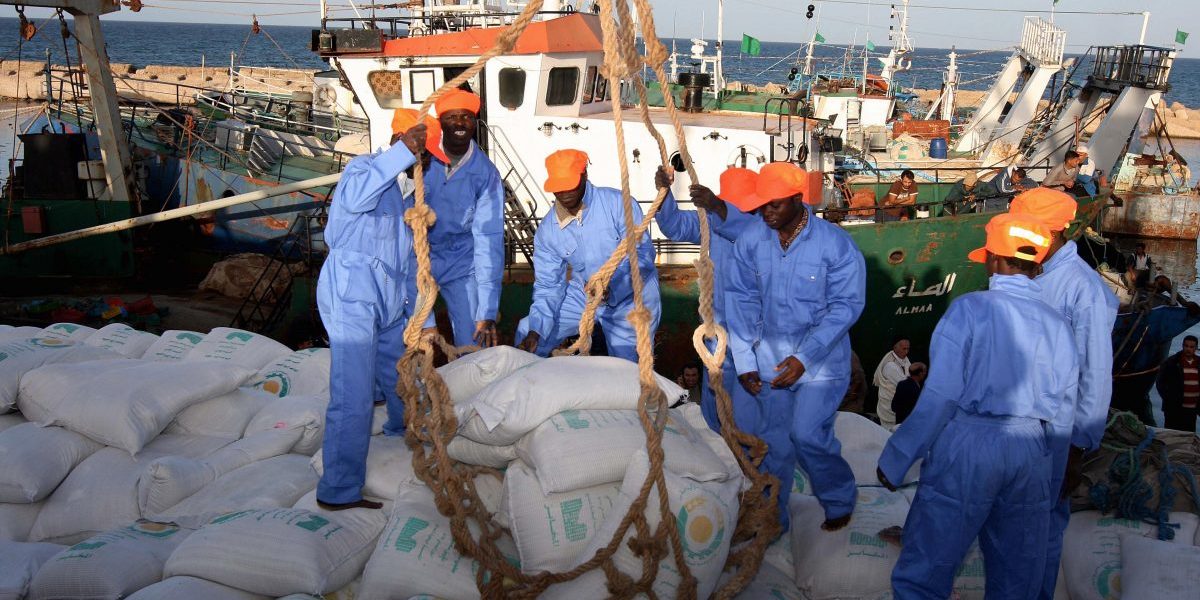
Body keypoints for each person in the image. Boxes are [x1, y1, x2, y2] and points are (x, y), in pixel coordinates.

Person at [877, 212, 1079, 599]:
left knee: (927, 565)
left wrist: (896, 459)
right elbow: (1064, 411)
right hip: (1031, 451)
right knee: (1017, 575)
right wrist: (1051, 482)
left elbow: (940, 397)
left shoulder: (969, 310)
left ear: (997, 260)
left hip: (970, 443)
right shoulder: (1058, 325)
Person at [316, 109, 448, 511]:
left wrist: (424, 323)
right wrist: (402, 153)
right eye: (421, 155)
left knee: (403, 377)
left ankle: (397, 434)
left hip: (392, 302)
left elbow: (412, 268)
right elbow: (354, 199)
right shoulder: (363, 169)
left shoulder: (410, 196)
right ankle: (338, 490)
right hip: (352, 292)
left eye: (426, 158)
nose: (423, 164)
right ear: (403, 143)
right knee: (353, 393)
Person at [727, 161, 865, 532]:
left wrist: (804, 357)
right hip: (770, 363)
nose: (765, 211)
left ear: (797, 199)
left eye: (774, 204)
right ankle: (775, 519)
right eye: (762, 204)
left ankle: (838, 498)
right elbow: (740, 299)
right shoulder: (751, 240)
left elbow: (846, 307)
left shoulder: (835, 245)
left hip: (820, 366)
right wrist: (743, 360)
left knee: (807, 435)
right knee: (775, 443)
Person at [1008, 187, 1119, 600]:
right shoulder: (1032, 275)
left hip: (1055, 436)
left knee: (1041, 532)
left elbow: (1096, 375)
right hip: (1017, 427)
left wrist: (1077, 448)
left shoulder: (1082, 290)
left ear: (1054, 233)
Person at [516, 149, 661, 361]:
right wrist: (536, 329)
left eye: (570, 184)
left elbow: (642, 256)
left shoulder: (618, 203)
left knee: (628, 367)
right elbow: (548, 286)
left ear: (585, 175)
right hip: (584, 292)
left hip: (632, 295)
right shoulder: (548, 231)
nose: (564, 192)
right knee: (528, 330)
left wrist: (613, 287)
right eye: (558, 187)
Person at [654, 165, 757, 429]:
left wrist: (720, 208)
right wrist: (664, 194)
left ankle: (748, 456)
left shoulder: (763, 228)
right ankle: (722, 451)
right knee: (714, 401)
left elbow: (745, 230)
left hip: (754, 335)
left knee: (749, 408)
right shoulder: (710, 221)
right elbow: (675, 226)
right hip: (716, 329)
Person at [422, 89, 505, 348]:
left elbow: (488, 240)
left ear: (475, 123)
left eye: (467, 117)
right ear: (440, 123)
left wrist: (487, 312)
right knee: (411, 338)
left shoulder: (485, 174)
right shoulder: (420, 161)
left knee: (474, 337)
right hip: (416, 259)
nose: (459, 123)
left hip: (461, 262)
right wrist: (426, 322)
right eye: (452, 117)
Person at [1156, 335, 1200, 433]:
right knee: (1171, 436)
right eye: (1186, 346)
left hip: (1192, 411)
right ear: (1182, 346)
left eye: (1191, 347)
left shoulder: (1199, 363)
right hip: (1174, 410)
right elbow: (1160, 383)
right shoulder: (1171, 362)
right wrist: (1169, 399)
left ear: (1196, 348)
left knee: (1188, 437)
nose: (1188, 349)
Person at [873, 335, 911, 430]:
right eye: (904, 349)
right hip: (889, 407)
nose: (906, 352)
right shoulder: (890, 366)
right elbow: (905, 384)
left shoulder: (906, 361)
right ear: (895, 348)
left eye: (908, 349)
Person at [891, 361, 927, 426]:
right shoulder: (917, 390)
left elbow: (894, 406)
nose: (925, 373)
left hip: (899, 423)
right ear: (920, 373)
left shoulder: (901, 384)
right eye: (924, 371)